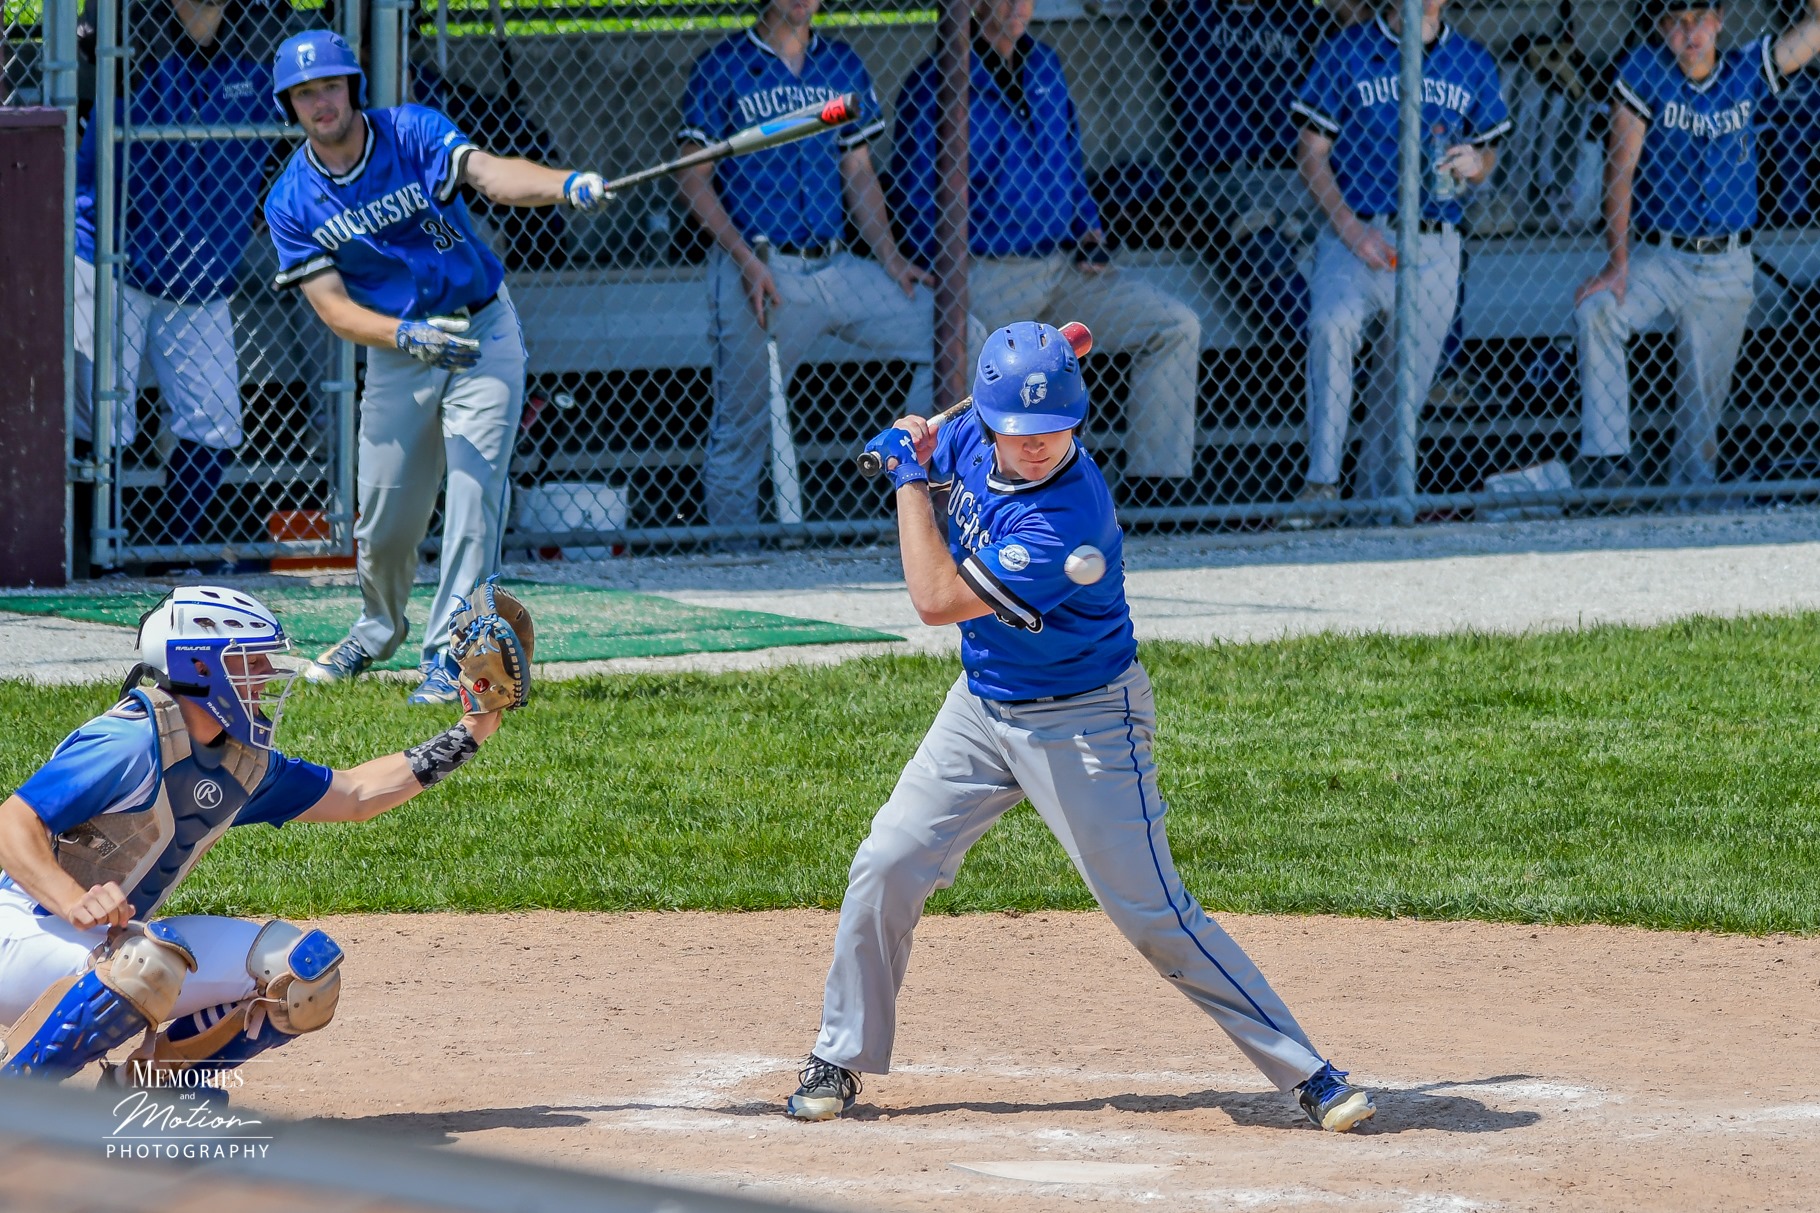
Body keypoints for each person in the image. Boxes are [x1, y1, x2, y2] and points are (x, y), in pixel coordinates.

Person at [784, 321, 1375, 1134]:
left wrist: (905, 476)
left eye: (1057, 426)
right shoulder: (970, 432)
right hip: (983, 706)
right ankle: (839, 1053)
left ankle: (1308, 1071)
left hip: (1087, 720)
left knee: (1151, 914)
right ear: (990, 419)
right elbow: (952, 441)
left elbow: (931, 597)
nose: (1039, 446)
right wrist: (923, 442)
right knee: (886, 859)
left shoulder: (1069, 516)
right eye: (1023, 431)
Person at [0, 585, 502, 1086]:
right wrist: (71, 899)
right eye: (251, 661)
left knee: (302, 974)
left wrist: (474, 725)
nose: (266, 674)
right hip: (21, 932)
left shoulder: (241, 763)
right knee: (144, 965)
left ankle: (150, 1094)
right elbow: (11, 821)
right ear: (199, 666)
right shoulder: (128, 742)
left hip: (103, 945)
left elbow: (356, 795)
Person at [262, 29, 612, 703]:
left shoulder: (412, 132)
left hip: (482, 328)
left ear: (352, 88)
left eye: (331, 86)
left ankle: (449, 655)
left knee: (475, 494)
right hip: (398, 348)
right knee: (387, 518)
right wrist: (407, 335)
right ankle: (377, 626)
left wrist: (564, 185)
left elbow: (491, 174)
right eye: (305, 93)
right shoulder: (291, 200)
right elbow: (334, 309)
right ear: (291, 105)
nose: (321, 103)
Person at [891, 0, 1205, 509]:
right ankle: (924, 502)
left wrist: (1089, 230)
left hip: (1062, 268)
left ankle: (1158, 493)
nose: (1019, 7)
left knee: (1174, 325)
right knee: (958, 352)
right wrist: (947, 269)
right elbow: (915, 198)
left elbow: (1070, 164)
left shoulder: (1045, 65)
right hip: (987, 271)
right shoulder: (937, 80)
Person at [675, 0, 937, 536]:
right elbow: (692, 179)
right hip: (761, 269)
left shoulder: (839, 64)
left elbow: (858, 171)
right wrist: (744, 258)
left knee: (954, 334)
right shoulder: (722, 65)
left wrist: (889, 258)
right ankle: (734, 563)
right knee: (742, 432)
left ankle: (910, 496)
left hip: (835, 264)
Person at [1572, 0, 1820, 492]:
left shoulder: (1746, 67)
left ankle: (1691, 502)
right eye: (1678, 20)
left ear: (1720, 20)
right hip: (1663, 256)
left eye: (1702, 17)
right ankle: (1609, 462)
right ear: (1663, 27)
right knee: (1597, 310)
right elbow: (1619, 171)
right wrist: (1617, 264)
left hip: (1729, 262)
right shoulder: (1645, 69)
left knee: (1701, 410)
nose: (1692, 31)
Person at [1284, 0, 1509, 524]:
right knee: (1331, 324)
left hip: (1433, 243)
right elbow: (1310, 151)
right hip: (1357, 232)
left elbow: (1490, 150)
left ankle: (1376, 510)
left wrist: (1478, 165)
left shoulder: (1471, 60)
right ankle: (1321, 484)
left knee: (1402, 389)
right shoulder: (1348, 49)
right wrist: (1349, 228)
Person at [72, 0, 285, 553]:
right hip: (110, 253)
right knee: (101, 417)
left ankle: (173, 550)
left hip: (202, 267)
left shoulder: (261, 35)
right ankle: (96, 555)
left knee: (215, 420)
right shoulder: (130, 26)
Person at [1157, 0, 1334, 338]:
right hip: (1225, 176)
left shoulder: (1300, 14)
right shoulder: (1192, 10)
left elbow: (1360, 16)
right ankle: (1319, 359)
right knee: (1263, 248)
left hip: (1300, 172)